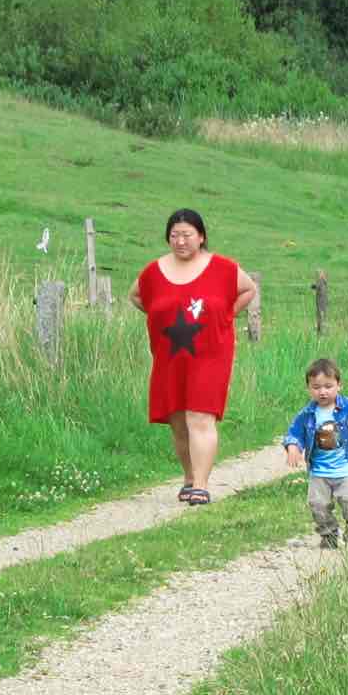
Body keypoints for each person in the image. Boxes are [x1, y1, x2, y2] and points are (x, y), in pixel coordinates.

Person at [129, 208, 258, 506]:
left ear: (201, 237)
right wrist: (160, 317)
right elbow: (136, 296)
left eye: (187, 235)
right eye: (174, 236)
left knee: (199, 415)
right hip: (169, 355)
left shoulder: (223, 268)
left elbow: (248, 289)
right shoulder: (154, 271)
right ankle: (189, 477)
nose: (180, 241)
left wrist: (226, 316)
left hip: (211, 353)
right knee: (177, 419)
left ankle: (201, 484)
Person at [281, 358, 348, 549]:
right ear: (308, 389)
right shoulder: (307, 414)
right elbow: (294, 433)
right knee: (318, 505)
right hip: (319, 471)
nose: (323, 391)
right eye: (316, 387)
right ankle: (329, 535)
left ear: (339, 385)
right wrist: (293, 447)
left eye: (328, 386)